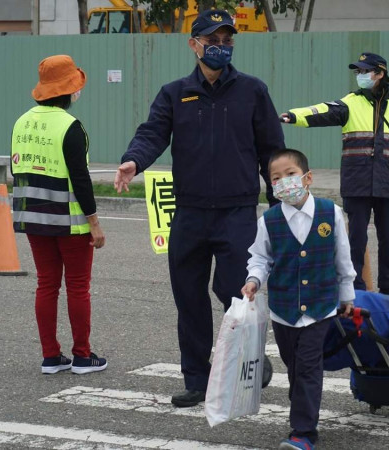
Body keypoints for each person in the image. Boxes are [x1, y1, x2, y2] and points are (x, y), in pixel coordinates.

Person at [114, 9, 284, 407]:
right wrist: (134, 161)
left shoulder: (252, 91)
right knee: (188, 297)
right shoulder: (175, 93)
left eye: (228, 40)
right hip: (189, 213)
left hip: (237, 213)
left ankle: (250, 362)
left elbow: (271, 151)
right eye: (213, 40)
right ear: (194, 45)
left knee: (236, 293)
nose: (221, 47)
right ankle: (196, 378)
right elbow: (152, 132)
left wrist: (281, 206)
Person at [279, 53, 389, 297]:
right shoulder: (350, 102)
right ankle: (354, 287)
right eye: (358, 72)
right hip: (357, 182)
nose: (360, 76)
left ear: (380, 73)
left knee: (388, 240)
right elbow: (322, 110)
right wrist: (293, 115)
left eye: (365, 71)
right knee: (355, 241)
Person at [242, 148, 355, 450]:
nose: (283, 182)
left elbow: (342, 257)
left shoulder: (330, 212)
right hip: (283, 310)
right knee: (293, 366)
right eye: (275, 178)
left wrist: (347, 296)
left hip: (320, 308)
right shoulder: (269, 220)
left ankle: (304, 432)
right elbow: (260, 258)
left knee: (308, 366)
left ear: (307, 177)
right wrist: (254, 280)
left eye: (289, 174)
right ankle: (303, 408)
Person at [11, 54, 107, 375]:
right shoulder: (71, 127)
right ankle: (82, 355)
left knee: (46, 285)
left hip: (34, 219)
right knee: (78, 286)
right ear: (69, 90)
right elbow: (81, 180)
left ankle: (51, 357)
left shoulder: (21, 122)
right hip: (70, 222)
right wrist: (94, 223)